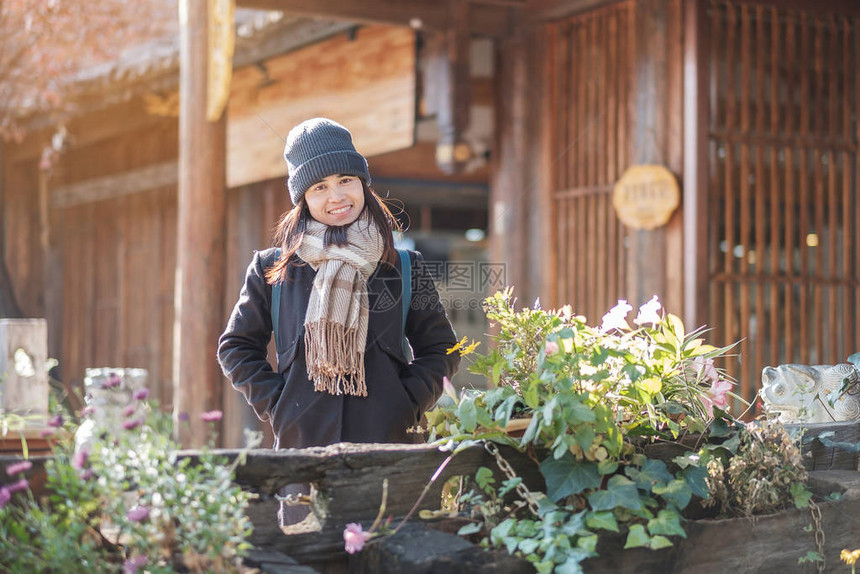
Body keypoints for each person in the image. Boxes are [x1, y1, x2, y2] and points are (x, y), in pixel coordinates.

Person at [218, 118, 459, 523]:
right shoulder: (272, 269)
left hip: (389, 457)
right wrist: (278, 405)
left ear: (362, 182)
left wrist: (407, 404)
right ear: (303, 199)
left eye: (345, 179)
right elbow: (235, 348)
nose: (337, 196)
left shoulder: (403, 267)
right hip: (302, 461)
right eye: (319, 187)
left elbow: (443, 348)